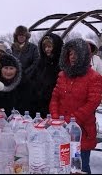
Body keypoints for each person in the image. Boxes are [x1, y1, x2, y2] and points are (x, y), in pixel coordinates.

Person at [50, 38, 102, 174]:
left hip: (82, 132)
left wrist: (71, 121)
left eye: (76, 53)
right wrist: (56, 119)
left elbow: (92, 103)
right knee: (61, 165)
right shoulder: (62, 75)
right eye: (70, 53)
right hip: (60, 130)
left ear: (84, 55)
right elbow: (55, 98)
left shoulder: (94, 77)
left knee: (80, 167)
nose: (72, 57)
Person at [0, 53, 31, 120]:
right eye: (5, 68)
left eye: (11, 68)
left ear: (17, 70)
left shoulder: (25, 85)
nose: (8, 71)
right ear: (1, 69)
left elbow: (30, 108)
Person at [30, 33, 63, 117]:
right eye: (45, 47)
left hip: (55, 103)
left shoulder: (61, 64)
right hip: (39, 103)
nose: (47, 49)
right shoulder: (41, 62)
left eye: (50, 46)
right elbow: (33, 79)